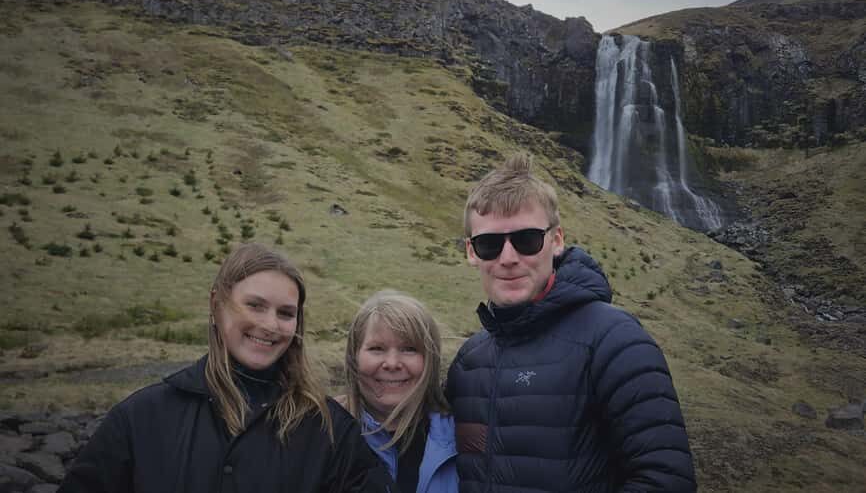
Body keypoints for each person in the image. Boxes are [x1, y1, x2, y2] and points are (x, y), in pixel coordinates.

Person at [445, 154, 697, 492]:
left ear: (557, 240)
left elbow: (666, 480)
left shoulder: (615, 341)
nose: (508, 258)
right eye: (489, 244)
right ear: (471, 252)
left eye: (527, 240)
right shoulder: (468, 363)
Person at [59, 243, 392, 493]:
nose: (270, 325)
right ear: (216, 303)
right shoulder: (141, 418)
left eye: (286, 313)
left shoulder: (330, 430)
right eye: (255, 305)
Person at [344, 291, 458, 493]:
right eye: (377, 348)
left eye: (409, 349)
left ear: (430, 359)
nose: (392, 363)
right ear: (354, 357)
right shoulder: (324, 435)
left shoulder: (463, 435)